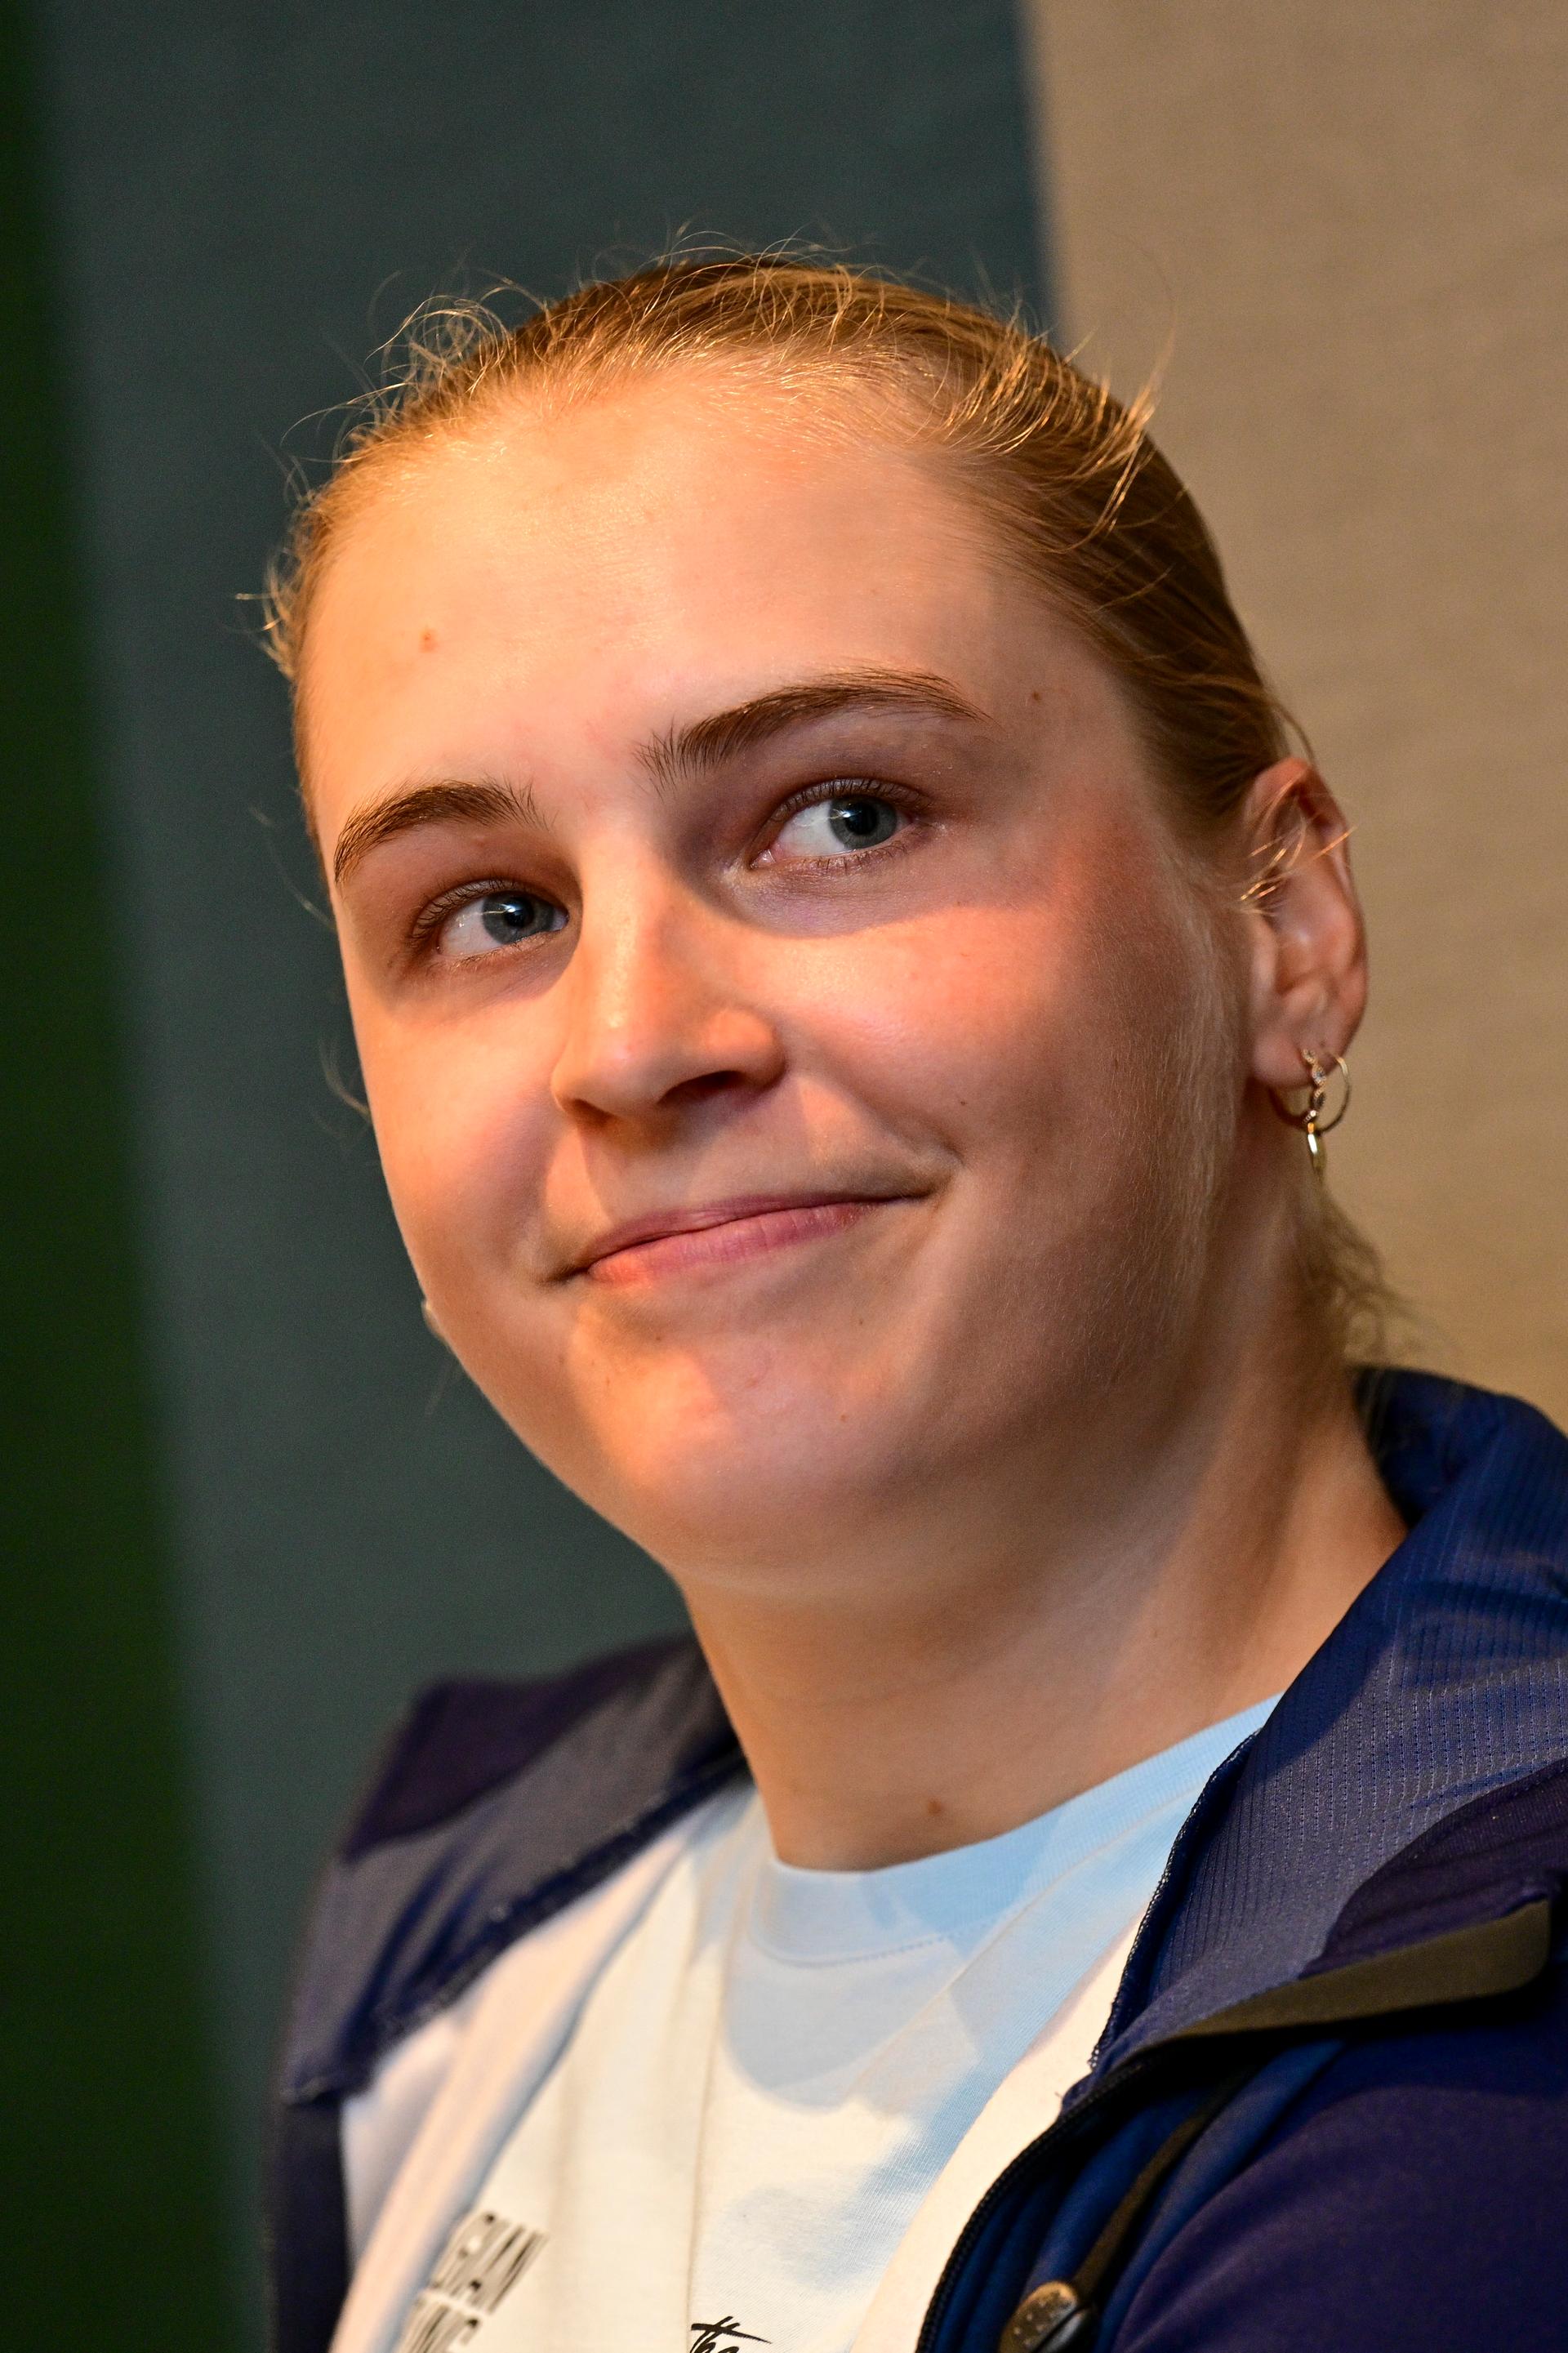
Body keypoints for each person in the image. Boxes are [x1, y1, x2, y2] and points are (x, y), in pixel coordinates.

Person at [261, 258, 1568, 2353]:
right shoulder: (455, 1940)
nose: (631, 1041)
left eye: (840, 817)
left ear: (1284, 925)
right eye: (489, 911)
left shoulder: (1487, 2104)